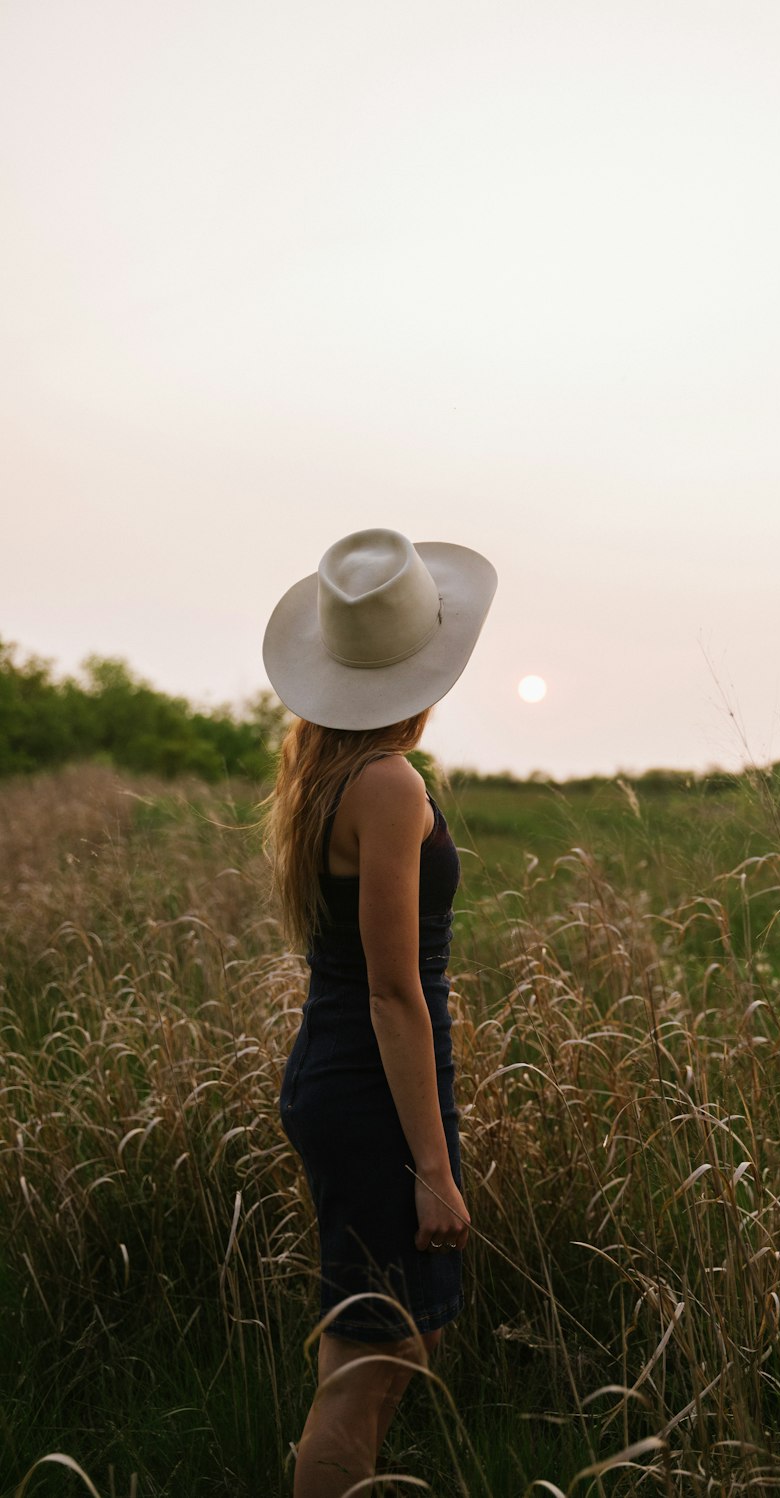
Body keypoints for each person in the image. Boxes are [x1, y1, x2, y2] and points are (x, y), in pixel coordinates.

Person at [262, 528, 497, 1496]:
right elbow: (395, 989)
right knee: (373, 1361)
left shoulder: (324, 777)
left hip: (340, 1070)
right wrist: (434, 1169)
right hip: (370, 1083)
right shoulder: (391, 784)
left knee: (389, 1335)